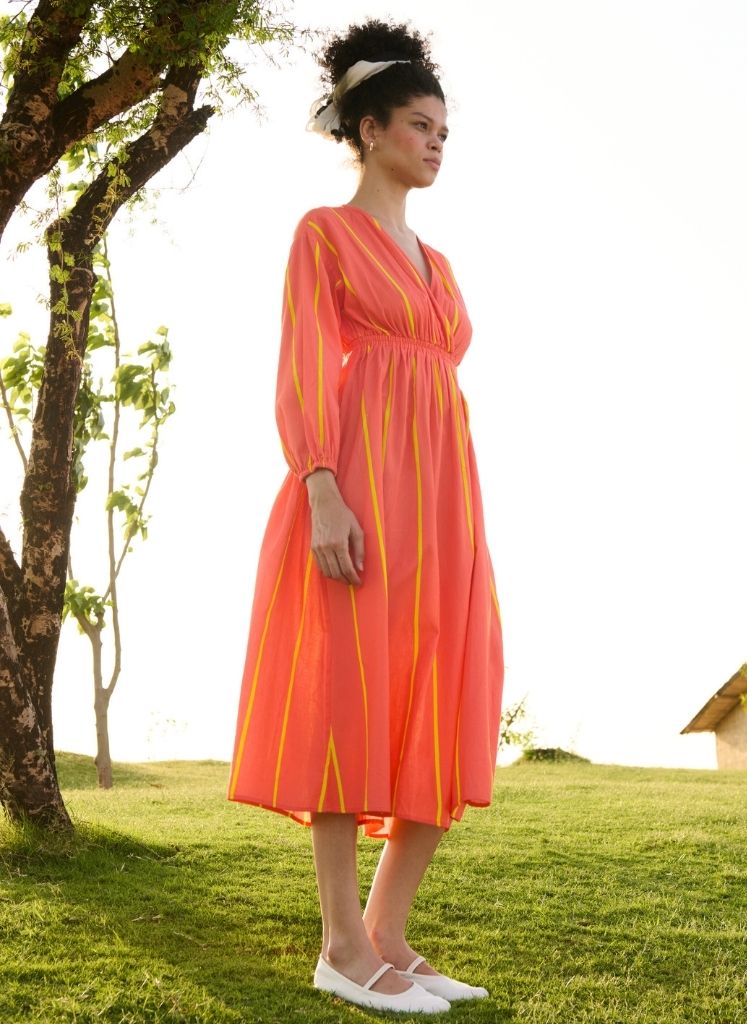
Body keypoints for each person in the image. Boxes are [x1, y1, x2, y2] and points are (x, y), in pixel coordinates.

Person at [227, 16, 505, 1015]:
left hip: (444, 497)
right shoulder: (325, 233)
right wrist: (321, 486)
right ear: (371, 128)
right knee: (350, 692)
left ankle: (389, 932)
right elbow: (305, 358)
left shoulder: (440, 265)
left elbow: (436, 378)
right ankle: (341, 946)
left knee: (446, 686)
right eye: (421, 125)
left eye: (445, 131)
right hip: (360, 486)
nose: (437, 143)